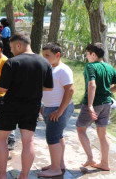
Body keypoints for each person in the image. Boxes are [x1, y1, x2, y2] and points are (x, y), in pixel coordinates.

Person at [0, 32, 53, 179]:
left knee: (0, 139)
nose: (11, 51)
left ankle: (1, 174)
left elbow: (2, 89)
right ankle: (24, 175)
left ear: (19, 45)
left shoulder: (12, 62)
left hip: (10, 105)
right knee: (28, 141)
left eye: (11, 47)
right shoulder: (45, 63)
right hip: (32, 106)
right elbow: (49, 87)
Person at [76, 43, 116, 171]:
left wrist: (90, 105)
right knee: (102, 134)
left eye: (87, 54)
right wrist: (108, 92)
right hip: (107, 103)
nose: (87, 57)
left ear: (93, 54)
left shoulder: (90, 66)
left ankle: (90, 158)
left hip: (95, 103)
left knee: (80, 128)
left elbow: (92, 85)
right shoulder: (110, 67)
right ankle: (104, 163)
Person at [38, 42, 75, 177]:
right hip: (49, 108)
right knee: (58, 136)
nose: (44, 58)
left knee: (52, 138)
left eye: (47, 55)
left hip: (58, 109)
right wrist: (43, 106)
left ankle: (55, 169)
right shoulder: (50, 68)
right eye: (43, 55)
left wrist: (60, 110)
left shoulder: (63, 70)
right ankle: (59, 163)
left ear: (58, 55)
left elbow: (70, 90)